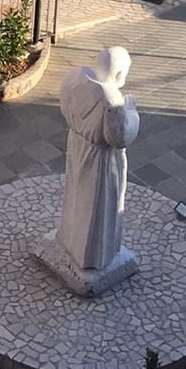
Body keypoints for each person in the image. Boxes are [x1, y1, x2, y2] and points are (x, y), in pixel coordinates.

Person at [55, 46, 140, 270]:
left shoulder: (75, 79)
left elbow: (64, 106)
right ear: (119, 73)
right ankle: (92, 256)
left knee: (76, 195)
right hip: (102, 162)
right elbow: (119, 138)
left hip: (78, 146)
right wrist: (132, 112)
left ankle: (68, 239)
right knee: (97, 208)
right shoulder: (113, 102)